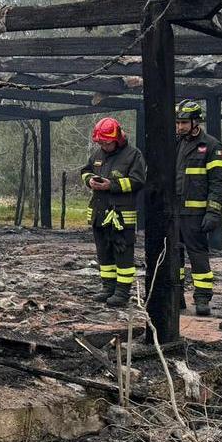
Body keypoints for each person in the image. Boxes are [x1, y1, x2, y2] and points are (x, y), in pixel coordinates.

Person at [81, 117, 146, 307]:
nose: (103, 145)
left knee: (123, 253)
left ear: (117, 138)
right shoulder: (97, 154)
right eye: (99, 142)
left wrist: (113, 185)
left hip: (121, 216)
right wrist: (89, 180)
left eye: (106, 142)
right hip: (100, 212)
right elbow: (85, 171)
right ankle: (107, 287)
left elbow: (138, 181)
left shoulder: (133, 155)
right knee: (104, 253)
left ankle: (122, 292)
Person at [175, 100, 222, 316]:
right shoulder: (176, 143)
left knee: (198, 256)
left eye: (184, 123)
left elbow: (217, 183)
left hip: (196, 214)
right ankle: (175, 295)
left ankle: (203, 298)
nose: (180, 127)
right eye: (178, 123)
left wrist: (213, 211)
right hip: (174, 213)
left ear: (196, 122)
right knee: (173, 256)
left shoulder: (212, 146)